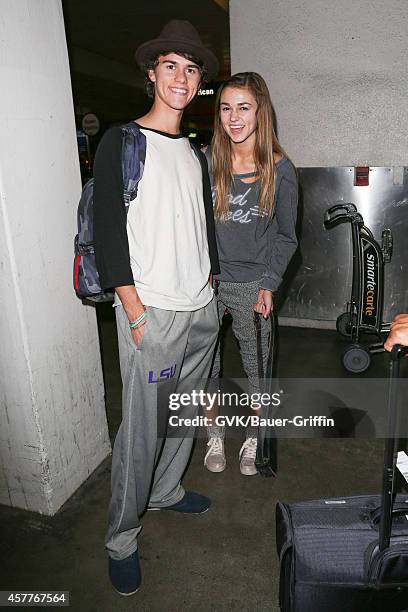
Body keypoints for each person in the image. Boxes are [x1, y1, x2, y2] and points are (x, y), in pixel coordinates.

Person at [93, 20, 220, 596]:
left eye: (192, 69)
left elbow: (201, 227)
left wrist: (211, 286)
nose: (182, 77)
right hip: (155, 315)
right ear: (152, 73)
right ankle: (121, 537)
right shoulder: (122, 141)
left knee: (185, 416)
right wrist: (135, 311)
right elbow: (108, 234)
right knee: (141, 431)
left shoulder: (195, 151)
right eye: (171, 65)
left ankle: (167, 491)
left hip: (200, 311)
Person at [203, 72, 298, 475]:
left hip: (252, 284)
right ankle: (215, 434)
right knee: (205, 365)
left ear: (261, 112)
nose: (234, 117)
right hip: (208, 284)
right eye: (226, 108)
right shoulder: (209, 160)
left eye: (244, 108)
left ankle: (255, 438)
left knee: (256, 370)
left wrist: (269, 283)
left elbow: (286, 236)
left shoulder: (280, 168)